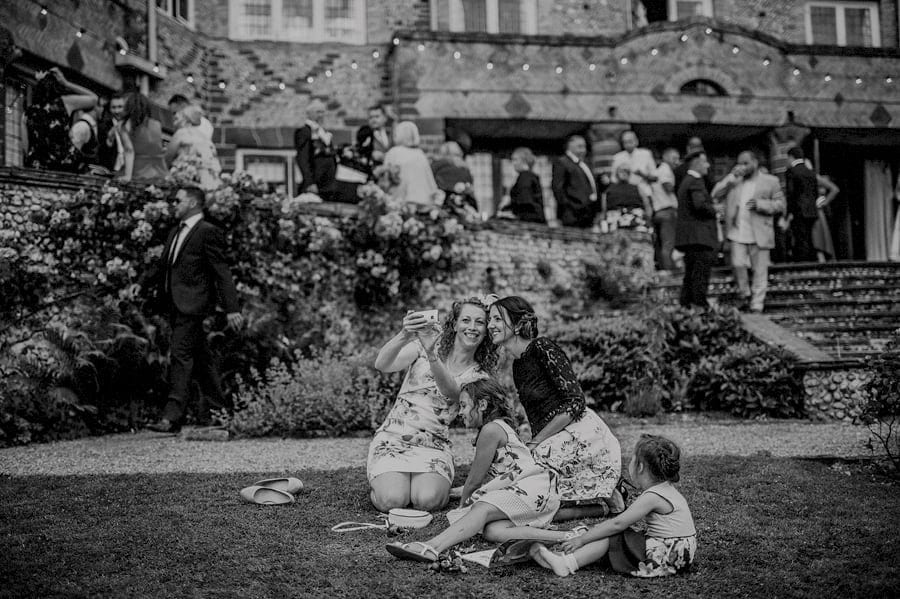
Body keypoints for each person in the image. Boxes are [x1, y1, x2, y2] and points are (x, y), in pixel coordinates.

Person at [385, 378, 569, 563]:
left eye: (464, 405)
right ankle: (567, 536)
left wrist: (463, 509)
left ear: (482, 404)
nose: (460, 412)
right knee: (492, 531)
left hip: (532, 486)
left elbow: (474, 481)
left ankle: (432, 546)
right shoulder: (497, 427)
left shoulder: (491, 430)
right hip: (538, 493)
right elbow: (488, 481)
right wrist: (452, 493)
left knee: (481, 509)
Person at [488, 296, 623, 520]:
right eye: (489, 319)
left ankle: (612, 497)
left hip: (579, 433)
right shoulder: (518, 364)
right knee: (521, 485)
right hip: (550, 439)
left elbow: (576, 402)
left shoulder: (542, 348)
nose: (490, 325)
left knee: (527, 489)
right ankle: (602, 507)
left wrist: (536, 442)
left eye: (497, 319)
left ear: (519, 323)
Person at [368, 298, 497, 512]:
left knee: (427, 501)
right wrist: (405, 335)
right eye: (466, 320)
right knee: (391, 500)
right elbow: (382, 365)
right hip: (394, 436)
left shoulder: (479, 375)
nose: (472, 327)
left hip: (434, 444)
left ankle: (416, 483)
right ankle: (387, 481)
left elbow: (451, 391)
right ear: (455, 325)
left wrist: (432, 355)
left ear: (486, 331)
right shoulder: (422, 347)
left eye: (479, 322)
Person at [528, 434, 696, 579]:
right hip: (678, 554)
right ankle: (563, 556)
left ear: (641, 467)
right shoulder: (665, 489)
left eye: (632, 459)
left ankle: (567, 564)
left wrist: (582, 539)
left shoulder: (652, 497)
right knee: (611, 533)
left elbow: (618, 524)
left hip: (667, 556)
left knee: (613, 535)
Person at [147, 186, 243, 433]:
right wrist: (140, 284)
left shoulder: (207, 232)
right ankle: (219, 411)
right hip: (175, 305)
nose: (173, 204)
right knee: (201, 359)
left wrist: (232, 308)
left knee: (179, 355)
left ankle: (172, 416)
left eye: (177, 200)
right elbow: (163, 267)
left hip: (193, 306)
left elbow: (221, 273)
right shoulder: (175, 233)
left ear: (192, 203)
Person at [712, 151, 785, 313]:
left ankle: (757, 303)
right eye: (740, 163)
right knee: (738, 263)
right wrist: (730, 177)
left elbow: (780, 204)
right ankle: (744, 293)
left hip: (760, 231)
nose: (743, 167)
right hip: (737, 231)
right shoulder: (735, 181)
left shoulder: (770, 181)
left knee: (760, 269)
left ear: (755, 162)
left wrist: (761, 204)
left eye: (746, 163)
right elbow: (715, 194)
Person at [24, 67, 97, 173]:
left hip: (37, 167)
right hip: (63, 165)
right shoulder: (64, 103)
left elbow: (26, 149)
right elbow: (93, 99)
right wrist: (66, 83)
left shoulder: (28, 113)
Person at [675, 150, 718, 309]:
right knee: (700, 273)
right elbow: (699, 205)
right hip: (699, 237)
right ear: (697, 163)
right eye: (705, 162)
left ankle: (686, 304)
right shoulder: (696, 181)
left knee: (690, 274)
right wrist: (716, 210)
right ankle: (700, 304)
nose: (707, 166)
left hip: (690, 238)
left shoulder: (685, 181)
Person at [382, 121, 442, 205]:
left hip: (400, 200)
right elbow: (429, 179)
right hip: (421, 199)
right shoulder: (420, 154)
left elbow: (386, 177)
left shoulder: (393, 152)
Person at [165, 104, 222, 190]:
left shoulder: (181, 133)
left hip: (188, 180)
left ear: (185, 118)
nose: (174, 122)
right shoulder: (205, 137)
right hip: (209, 181)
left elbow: (168, 157)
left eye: (177, 118)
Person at [117, 92, 167, 182]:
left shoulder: (125, 125)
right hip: (159, 170)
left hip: (137, 170)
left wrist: (128, 176)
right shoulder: (156, 124)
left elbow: (129, 150)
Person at [294, 99, 337, 200]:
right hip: (315, 182)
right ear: (309, 113)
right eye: (318, 112)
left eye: (323, 112)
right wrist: (310, 182)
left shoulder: (323, 131)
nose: (321, 115)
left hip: (328, 183)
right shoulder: (304, 132)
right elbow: (302, 158)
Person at [551, 135, 598, 228]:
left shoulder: (584, 164)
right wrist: (570, 206)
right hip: (572, 213)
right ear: (570, 147)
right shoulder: (562, 162)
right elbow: (558, 188)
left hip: (587, 212)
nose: (583, 150)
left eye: (584, 147)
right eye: (579, 147)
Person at [785, 147, 819, 262]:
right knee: (809, 236)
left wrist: (789, 213)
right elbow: (816, 192)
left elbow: (791, 194)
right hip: (812, 210)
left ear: (791, 157)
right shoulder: (811, 172)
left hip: (799, 210)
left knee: (800, 237)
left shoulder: (792, 172)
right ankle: (811, 259)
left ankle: (802, 261)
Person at [651, 148, 680, 271]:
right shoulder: (665, 169)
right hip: (667, 211)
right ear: (665, 158)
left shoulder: (658, 170)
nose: (677, 162)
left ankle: (663, 268)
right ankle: (669, 272)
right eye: (674, 158)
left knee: (661, 245)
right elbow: (667, 186)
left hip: (658, 212)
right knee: (668, 245)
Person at [611, 130, 657, 207]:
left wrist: (642, 174)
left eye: (630, 141)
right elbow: (613, 180)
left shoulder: (646, 154)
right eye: (625, 142)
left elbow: (655, 178)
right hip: (624, 196)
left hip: (644, 194)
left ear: (636, 141)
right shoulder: (617, 157)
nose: (628, 144)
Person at [431, 141, 477, 217]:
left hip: (441, 208)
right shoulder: (464, 168)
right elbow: (470, 190)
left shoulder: (435, 167)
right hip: (464, 208)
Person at [601, 163, 651, 230]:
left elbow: (647, 206)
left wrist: (647, 219)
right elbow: (604, 210)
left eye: (626, 171)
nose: (624, 173)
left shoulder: (637, 188)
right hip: (615, 220)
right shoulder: (608, 190)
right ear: (616, 174)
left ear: (629, 174)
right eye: (621, 171)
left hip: (636, 220)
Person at [509, 147, 546, 224]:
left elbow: (525, 201)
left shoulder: (525, 177)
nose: (513, 163)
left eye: (515, 160)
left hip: (529, 220)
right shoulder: (531, 176)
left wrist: (509, 210)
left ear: (524, 160)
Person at [356, 103, 392, 175]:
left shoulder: (390, 134)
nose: (373, 120)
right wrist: (370, 154)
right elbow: (359, 152)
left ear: (385, 118)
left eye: (377, 116)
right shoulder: (364, 135)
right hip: (372, 173)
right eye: (371, 117)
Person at [813, 175, 839, 262]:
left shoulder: (817, 178)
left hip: (819, 211)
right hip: (815, 211)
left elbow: (834, 189)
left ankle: (823, 261)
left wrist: (824, 202)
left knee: (820, 239)